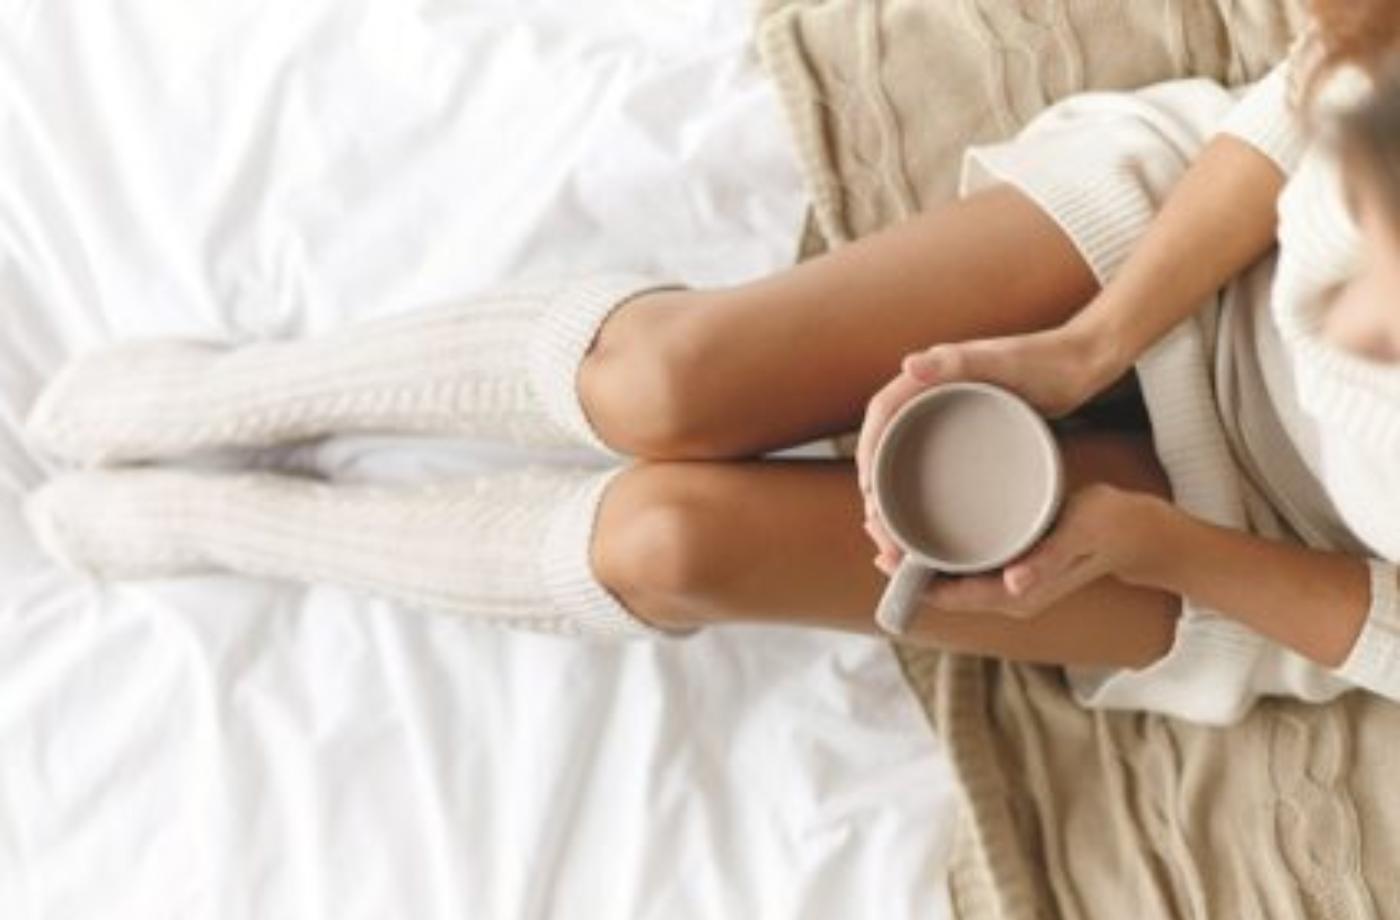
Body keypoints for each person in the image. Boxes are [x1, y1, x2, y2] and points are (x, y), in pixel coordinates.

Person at [19, 1, 1400, 723]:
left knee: (667, 544)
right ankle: (247, 395)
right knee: (662, 384)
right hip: (1187, 249)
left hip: (1267, 539)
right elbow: (1309, 101)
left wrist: (1160, 548)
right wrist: (1088, 341)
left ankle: (245, 527)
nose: (1353, 322)